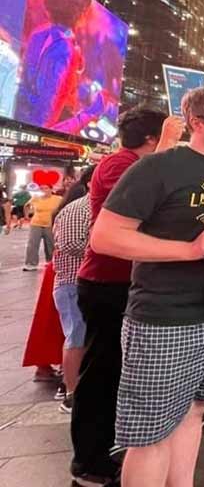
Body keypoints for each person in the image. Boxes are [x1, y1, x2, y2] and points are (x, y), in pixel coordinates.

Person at [88, 87, 204, 486]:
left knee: (195, 413)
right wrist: (189, 249)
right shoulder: (158, 168)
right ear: (197, 123)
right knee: (150, 436)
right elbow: (106, 237)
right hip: (166, 320)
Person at [69, 106, 175, 486]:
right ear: (153, 137)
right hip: (105, 284)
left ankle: (109, 450)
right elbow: (144, 210)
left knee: (116, 373)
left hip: (124, 284)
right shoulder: (120, 165)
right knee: (101, 373)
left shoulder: (132, 164)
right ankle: (89, 460)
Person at [51, 168, 95, 413]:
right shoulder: (78, 209)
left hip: (93, 285)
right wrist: (106, 244)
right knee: (76, 337)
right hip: (72, 283)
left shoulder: (107, 208)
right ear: (92, 183)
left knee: (88, 338)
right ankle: (71, 393)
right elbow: (68, 244)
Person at [23, 183, 62, 271]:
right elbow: (26, 206)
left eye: (46, 188)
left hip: (50, 224)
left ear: (51, 189)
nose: (44, 190)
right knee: (32, 244)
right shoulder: (36, 198)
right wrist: (26, 216)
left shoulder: (58, 199)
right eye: (42, 188)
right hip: (36, 223)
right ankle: (31, 264)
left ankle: (51, 262)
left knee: (50, 245)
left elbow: (63, 208)